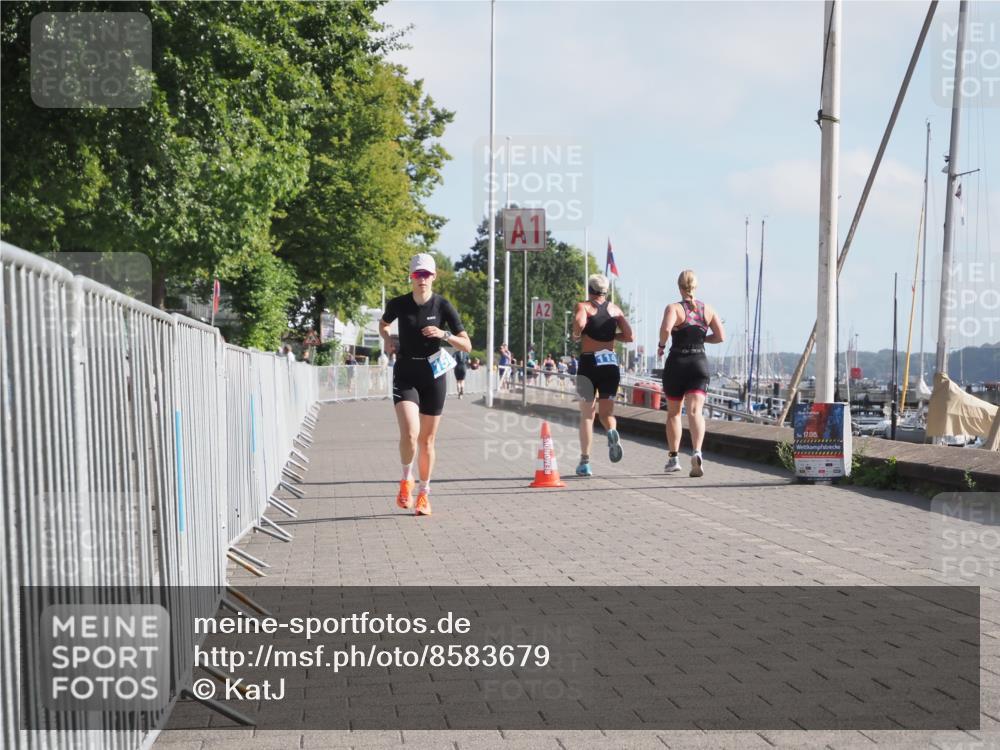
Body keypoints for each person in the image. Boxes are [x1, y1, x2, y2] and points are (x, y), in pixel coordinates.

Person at [379, 253, 471, 516]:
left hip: (434, 374)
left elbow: (467, 344)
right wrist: (386, 338)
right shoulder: (398, 303)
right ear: (411, 277)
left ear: (434, 277)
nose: (422, 279)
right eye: (418, 274)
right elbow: (383, 324)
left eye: (427, 274)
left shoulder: (443, 306)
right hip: (406, 371)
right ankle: (406, 480)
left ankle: (424, 493)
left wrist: (444, 334)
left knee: (427, 440)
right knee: (410, 433)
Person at [657, 269, 725, 477]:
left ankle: (673, 457)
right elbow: (720, 336)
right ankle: (697, 451)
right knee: (695, 412)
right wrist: (701, 339)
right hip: (699, 362)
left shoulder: (674, 308)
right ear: (695, 286)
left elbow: (667, 330)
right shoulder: (708, 309)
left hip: (677, 362)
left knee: (674, 413)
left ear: (679, 287)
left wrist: (661, 345)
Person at [571, 273, 634, 476]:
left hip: (589, 363)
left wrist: (576, 334)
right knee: (607, 414)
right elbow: (629, 335)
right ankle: (611, 431)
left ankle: (585, 462)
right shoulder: (615, 310)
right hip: (610, 363)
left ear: (589, 290)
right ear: (606, 291)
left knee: (587, 415)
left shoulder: (584, 307)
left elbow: (580, 323)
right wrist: (610, 335)